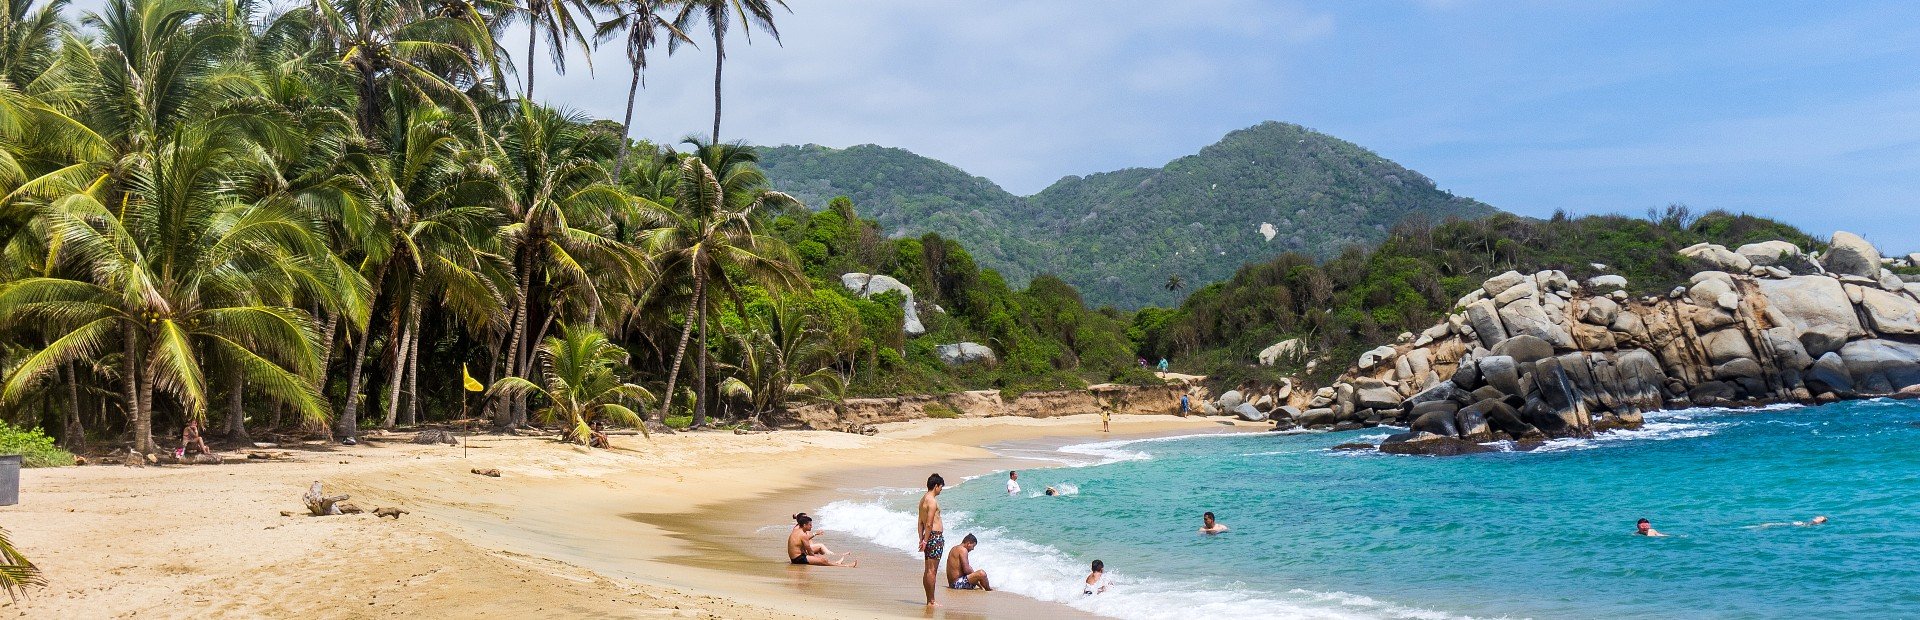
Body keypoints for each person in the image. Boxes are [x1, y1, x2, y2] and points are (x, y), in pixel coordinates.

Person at [917, 473, 946, 607]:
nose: (941, 490)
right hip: (934, 537)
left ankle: (929, 600)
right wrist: (925, 540)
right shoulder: (932, 501)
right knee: (932, 570)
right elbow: (928, 524)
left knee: (928, 570)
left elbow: (920, 522)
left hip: (928, 537)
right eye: (941, 487)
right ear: (936, 486)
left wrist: (922, 539)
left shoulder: (922, 499)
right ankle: (931, 601)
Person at [786, 513, 855, 567]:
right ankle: (845, 566)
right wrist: (816, 558)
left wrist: (816, 557)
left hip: (796, 557)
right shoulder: (803, 535)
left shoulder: (796, 530)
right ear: (804, 525)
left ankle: (836, 562)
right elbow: (809, 550)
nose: (811, 526)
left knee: (822, 558)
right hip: (798, 559)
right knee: (823, 560)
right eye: (810, 525)